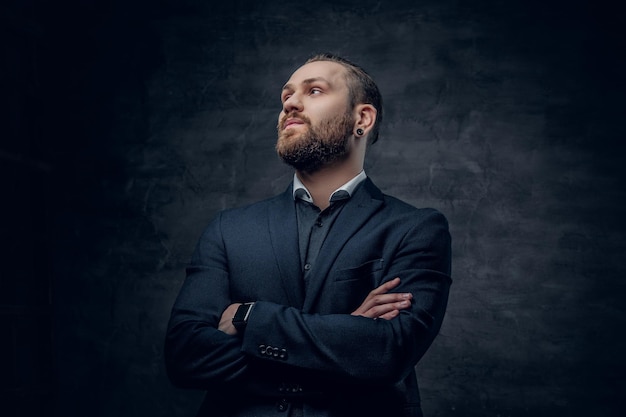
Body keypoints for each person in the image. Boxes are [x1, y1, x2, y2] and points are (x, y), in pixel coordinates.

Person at [164, 53, 452, 417]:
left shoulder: (415, 228)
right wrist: (347, 334)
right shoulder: (228, 228)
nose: (291, 104)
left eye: (314, 91)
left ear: (362, 118)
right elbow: (185, 357)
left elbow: (385, 354)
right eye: (286, 97)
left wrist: (249, 318)